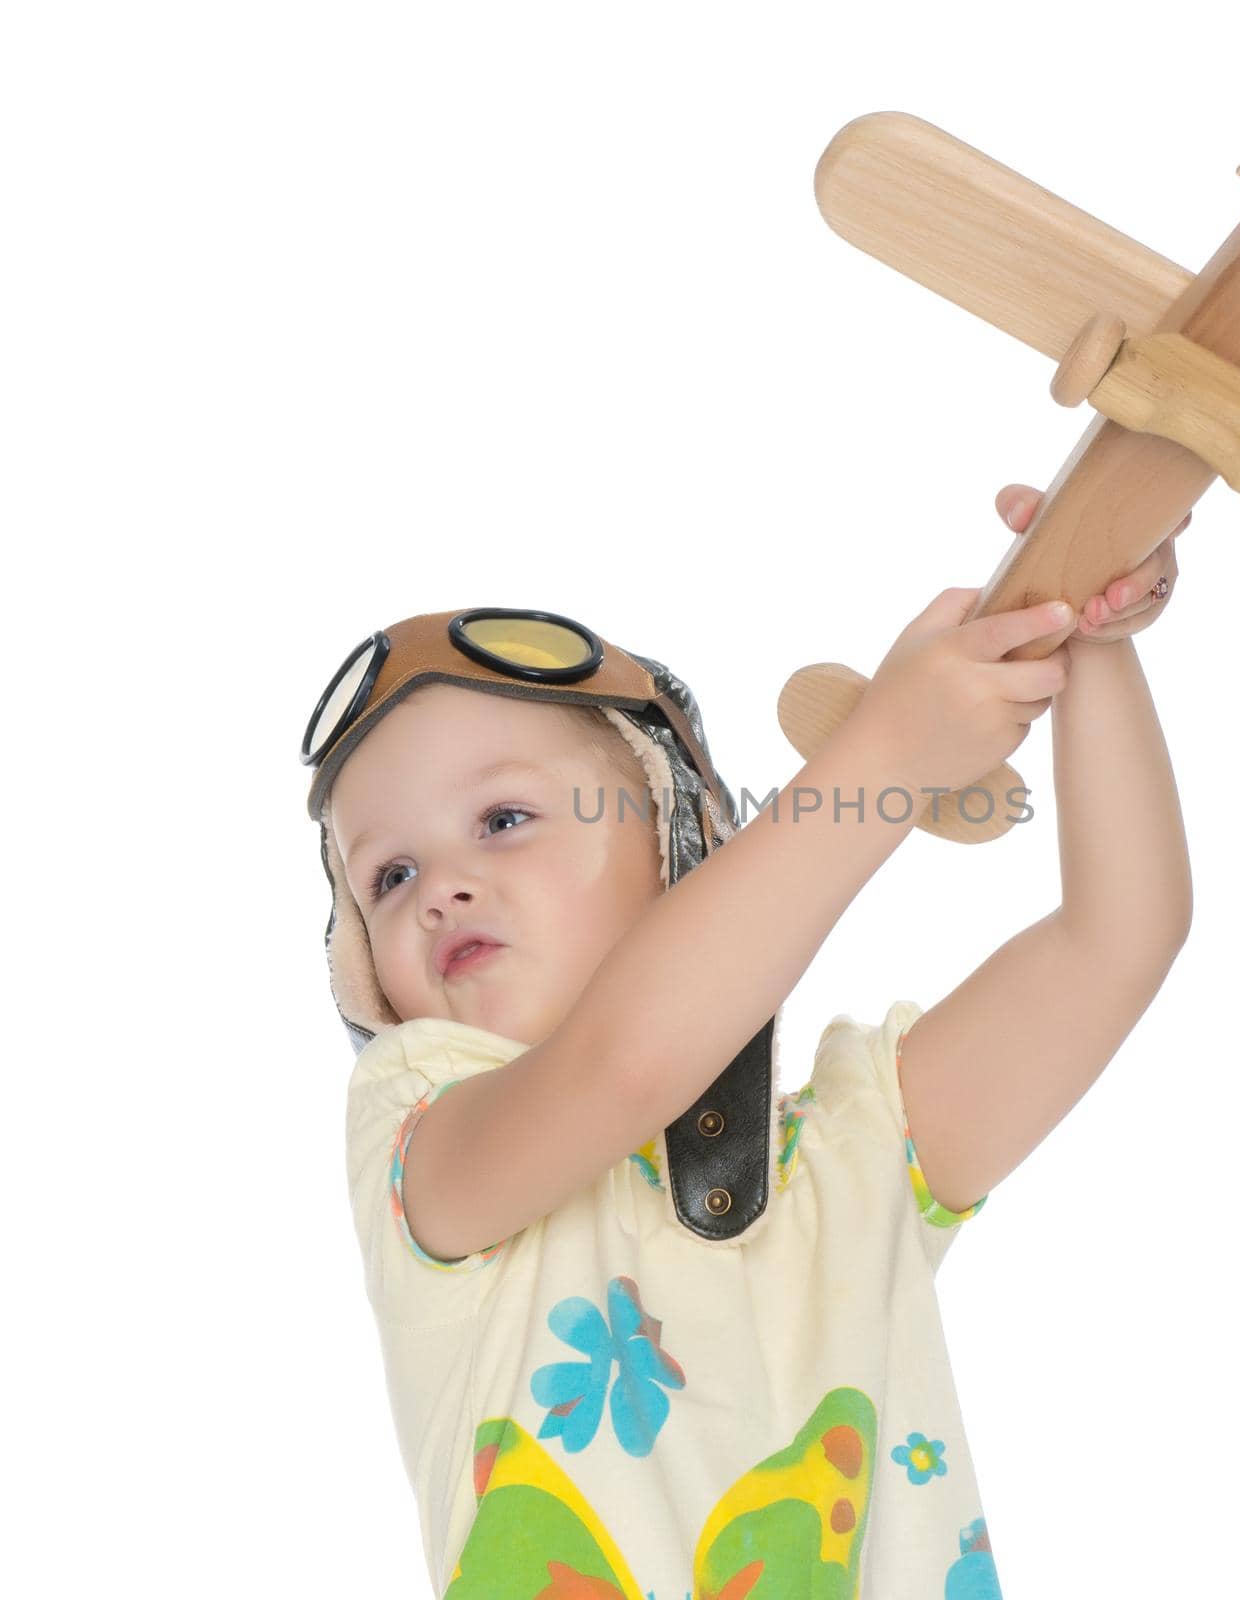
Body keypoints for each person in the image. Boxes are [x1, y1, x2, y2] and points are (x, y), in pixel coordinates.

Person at [302, 483, 1193, 1598]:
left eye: (502, 820)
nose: (441, 889)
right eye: (388, 876)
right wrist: (882, 761)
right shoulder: (418, 1147)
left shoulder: (857, 1158)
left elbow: (1119, 938)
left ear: (685, 840)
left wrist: (1090, 638)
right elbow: (625, 1064)